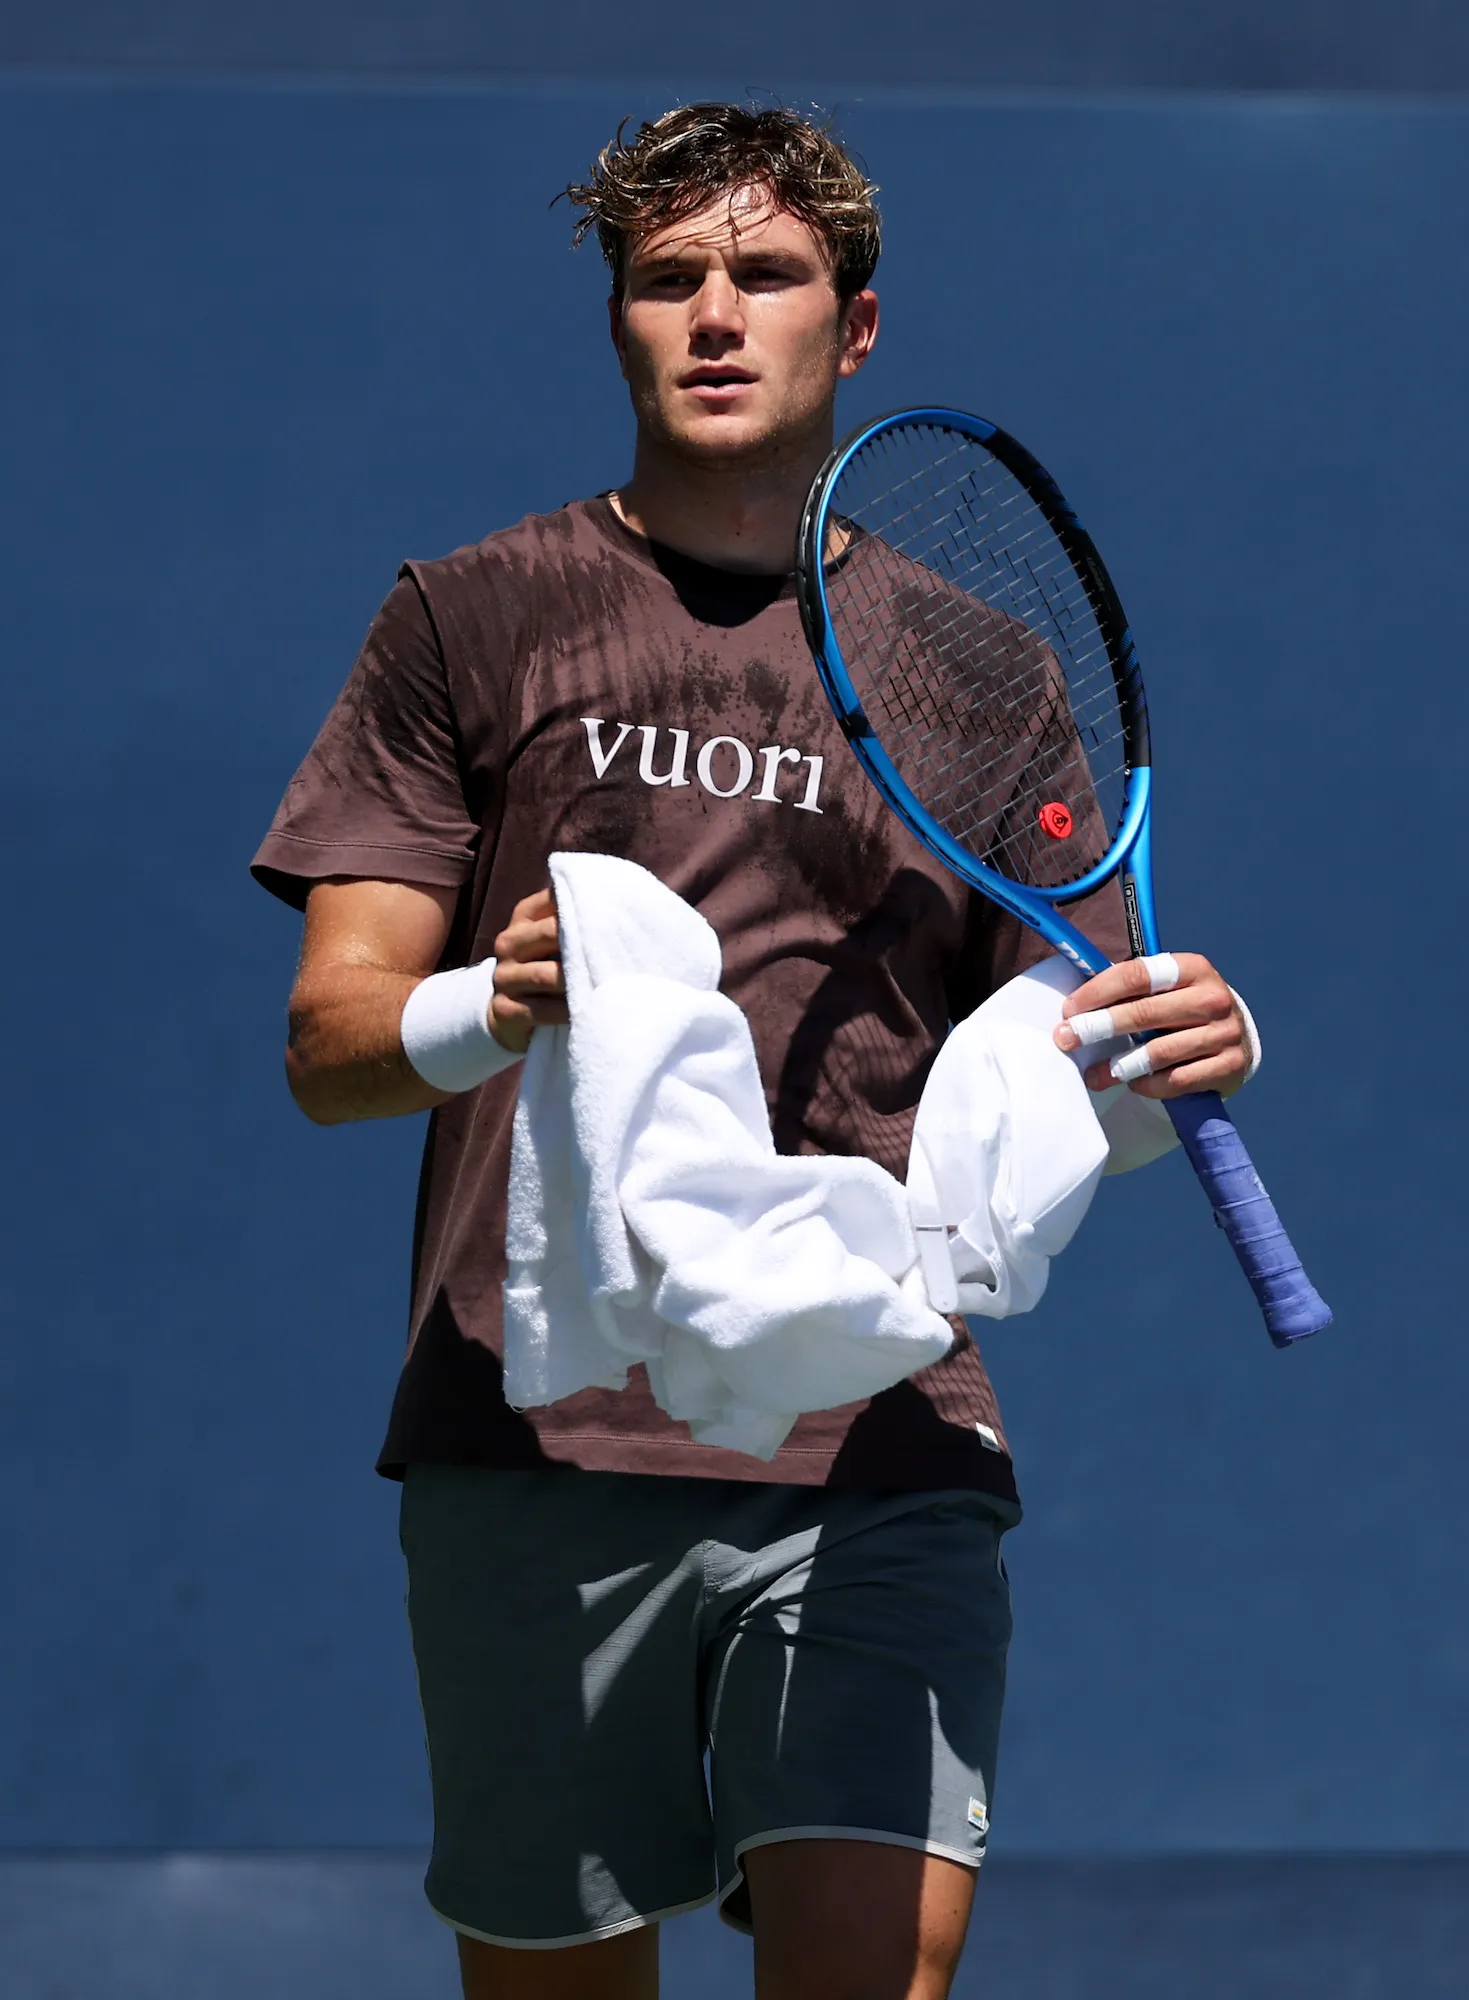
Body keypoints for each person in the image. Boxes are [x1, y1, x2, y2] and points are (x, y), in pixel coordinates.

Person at [252, 102, 1254, 2000]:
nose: (715, 314)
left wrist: (1188, 1040)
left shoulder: (973, 668)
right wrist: (496, 1000)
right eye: (668, 278)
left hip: (879, 1431)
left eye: (766, 275)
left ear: (851, 327)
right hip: (533, 1429)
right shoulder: (467, 619)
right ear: (619, 322)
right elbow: (332, 1040)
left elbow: (1073, 1053)